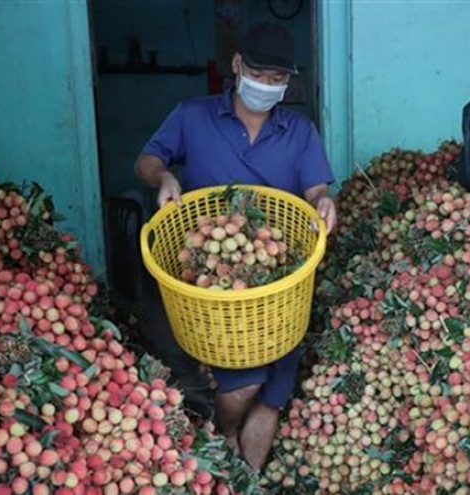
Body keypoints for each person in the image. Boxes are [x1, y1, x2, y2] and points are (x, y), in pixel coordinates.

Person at [134, 21, 337, 471]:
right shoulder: (193, 114)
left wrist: (324, 204)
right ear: (237, 65)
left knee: (272, 397)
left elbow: (316, 191)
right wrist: (165, 176)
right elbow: (147, 159)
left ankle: (250, 480)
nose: (267, 85)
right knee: (244, 385)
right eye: (259, 73)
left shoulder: (298, 131)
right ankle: (224, 433)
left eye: (278, 79)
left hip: (279, 282)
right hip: (216, 293)